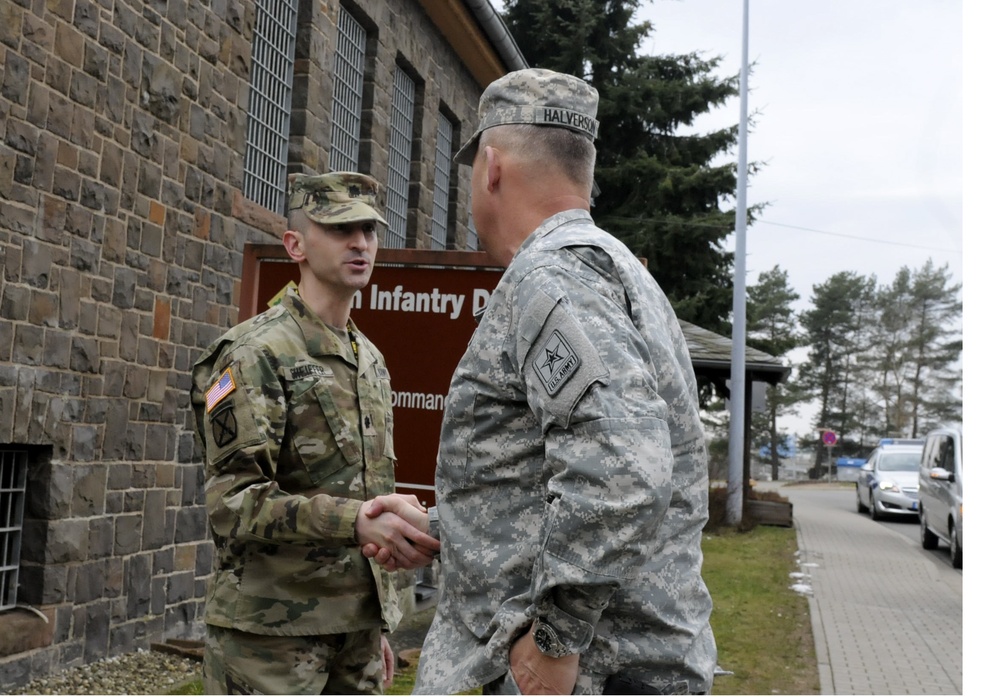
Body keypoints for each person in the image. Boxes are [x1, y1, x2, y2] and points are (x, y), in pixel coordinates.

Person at [413, 68, 717, 695]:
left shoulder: (551, 278)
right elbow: (546, 479)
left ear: (490, 167)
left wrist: (555, 637)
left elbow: (623, 474)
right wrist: (439, 528)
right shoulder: (620, 275)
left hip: (577, 674)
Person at [190, 171, 440, 695]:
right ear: (295, 244)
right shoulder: (254, 353)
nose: (361, 243)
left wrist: (375, 619)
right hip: (269, 639)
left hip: (355, 632)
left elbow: (366, 495)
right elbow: (231, 503)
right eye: (341, 229)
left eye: (370, 231)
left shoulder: (367, 358)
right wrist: (355, 524)